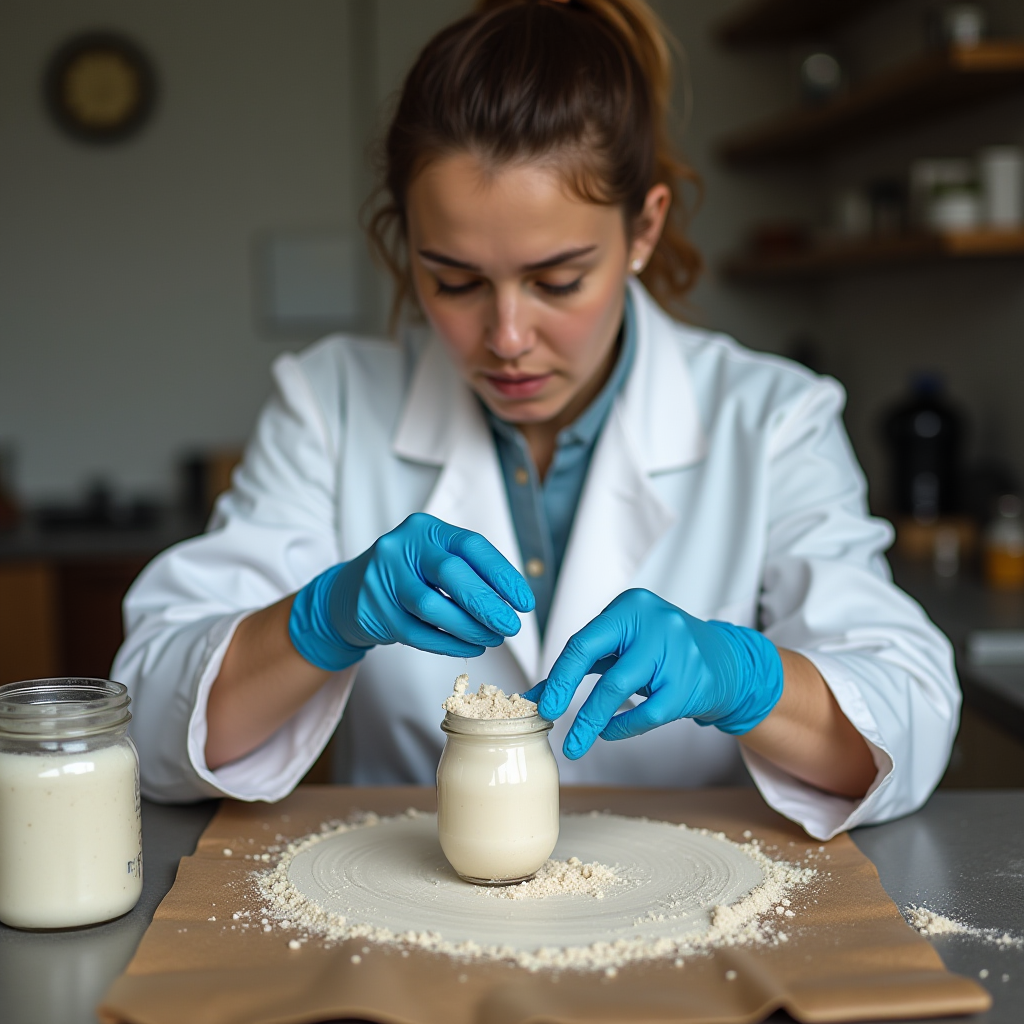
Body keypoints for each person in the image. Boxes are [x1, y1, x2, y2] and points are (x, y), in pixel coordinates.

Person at [113, 0, 959, 841]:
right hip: (413, 922)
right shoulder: (329, 403)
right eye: (453, 280)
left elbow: (908, 721)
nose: (507, 339)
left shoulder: (772, 418)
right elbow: (149, 725)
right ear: (405, 243)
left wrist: (743, 677)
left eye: (557, 281)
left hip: (689, 912)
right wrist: (321, 619)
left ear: (644, 229)